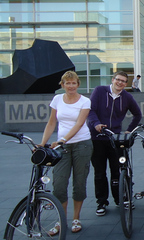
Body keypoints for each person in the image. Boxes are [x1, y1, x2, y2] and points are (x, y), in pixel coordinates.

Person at [40, 71, 93, 235]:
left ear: (78, 84)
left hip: (82, 144)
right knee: (59, 184)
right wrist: (42, 144)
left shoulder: (85, 101)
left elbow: (79, 124)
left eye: (73, 83)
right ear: (62, 85)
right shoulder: (57, 99)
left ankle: (76, 218)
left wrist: (63, 139)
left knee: (79, 183)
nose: (71, 86)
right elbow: (51, 123)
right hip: (62, 147)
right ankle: (61, 220)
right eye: (67, 83)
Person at [88, 71, 142, 216]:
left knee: (117, 172)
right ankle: (101, 202)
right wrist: (96, 124)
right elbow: (91, 110)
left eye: (124, 81)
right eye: (118, 80)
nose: (120, 83)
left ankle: (120, 199)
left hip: (115, 139)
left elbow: (138, 114)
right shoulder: (99, 91)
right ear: (112, 80)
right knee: (99, 173)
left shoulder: (127, 97)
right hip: (97, 138)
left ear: (126, 84)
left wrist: (129, 131)